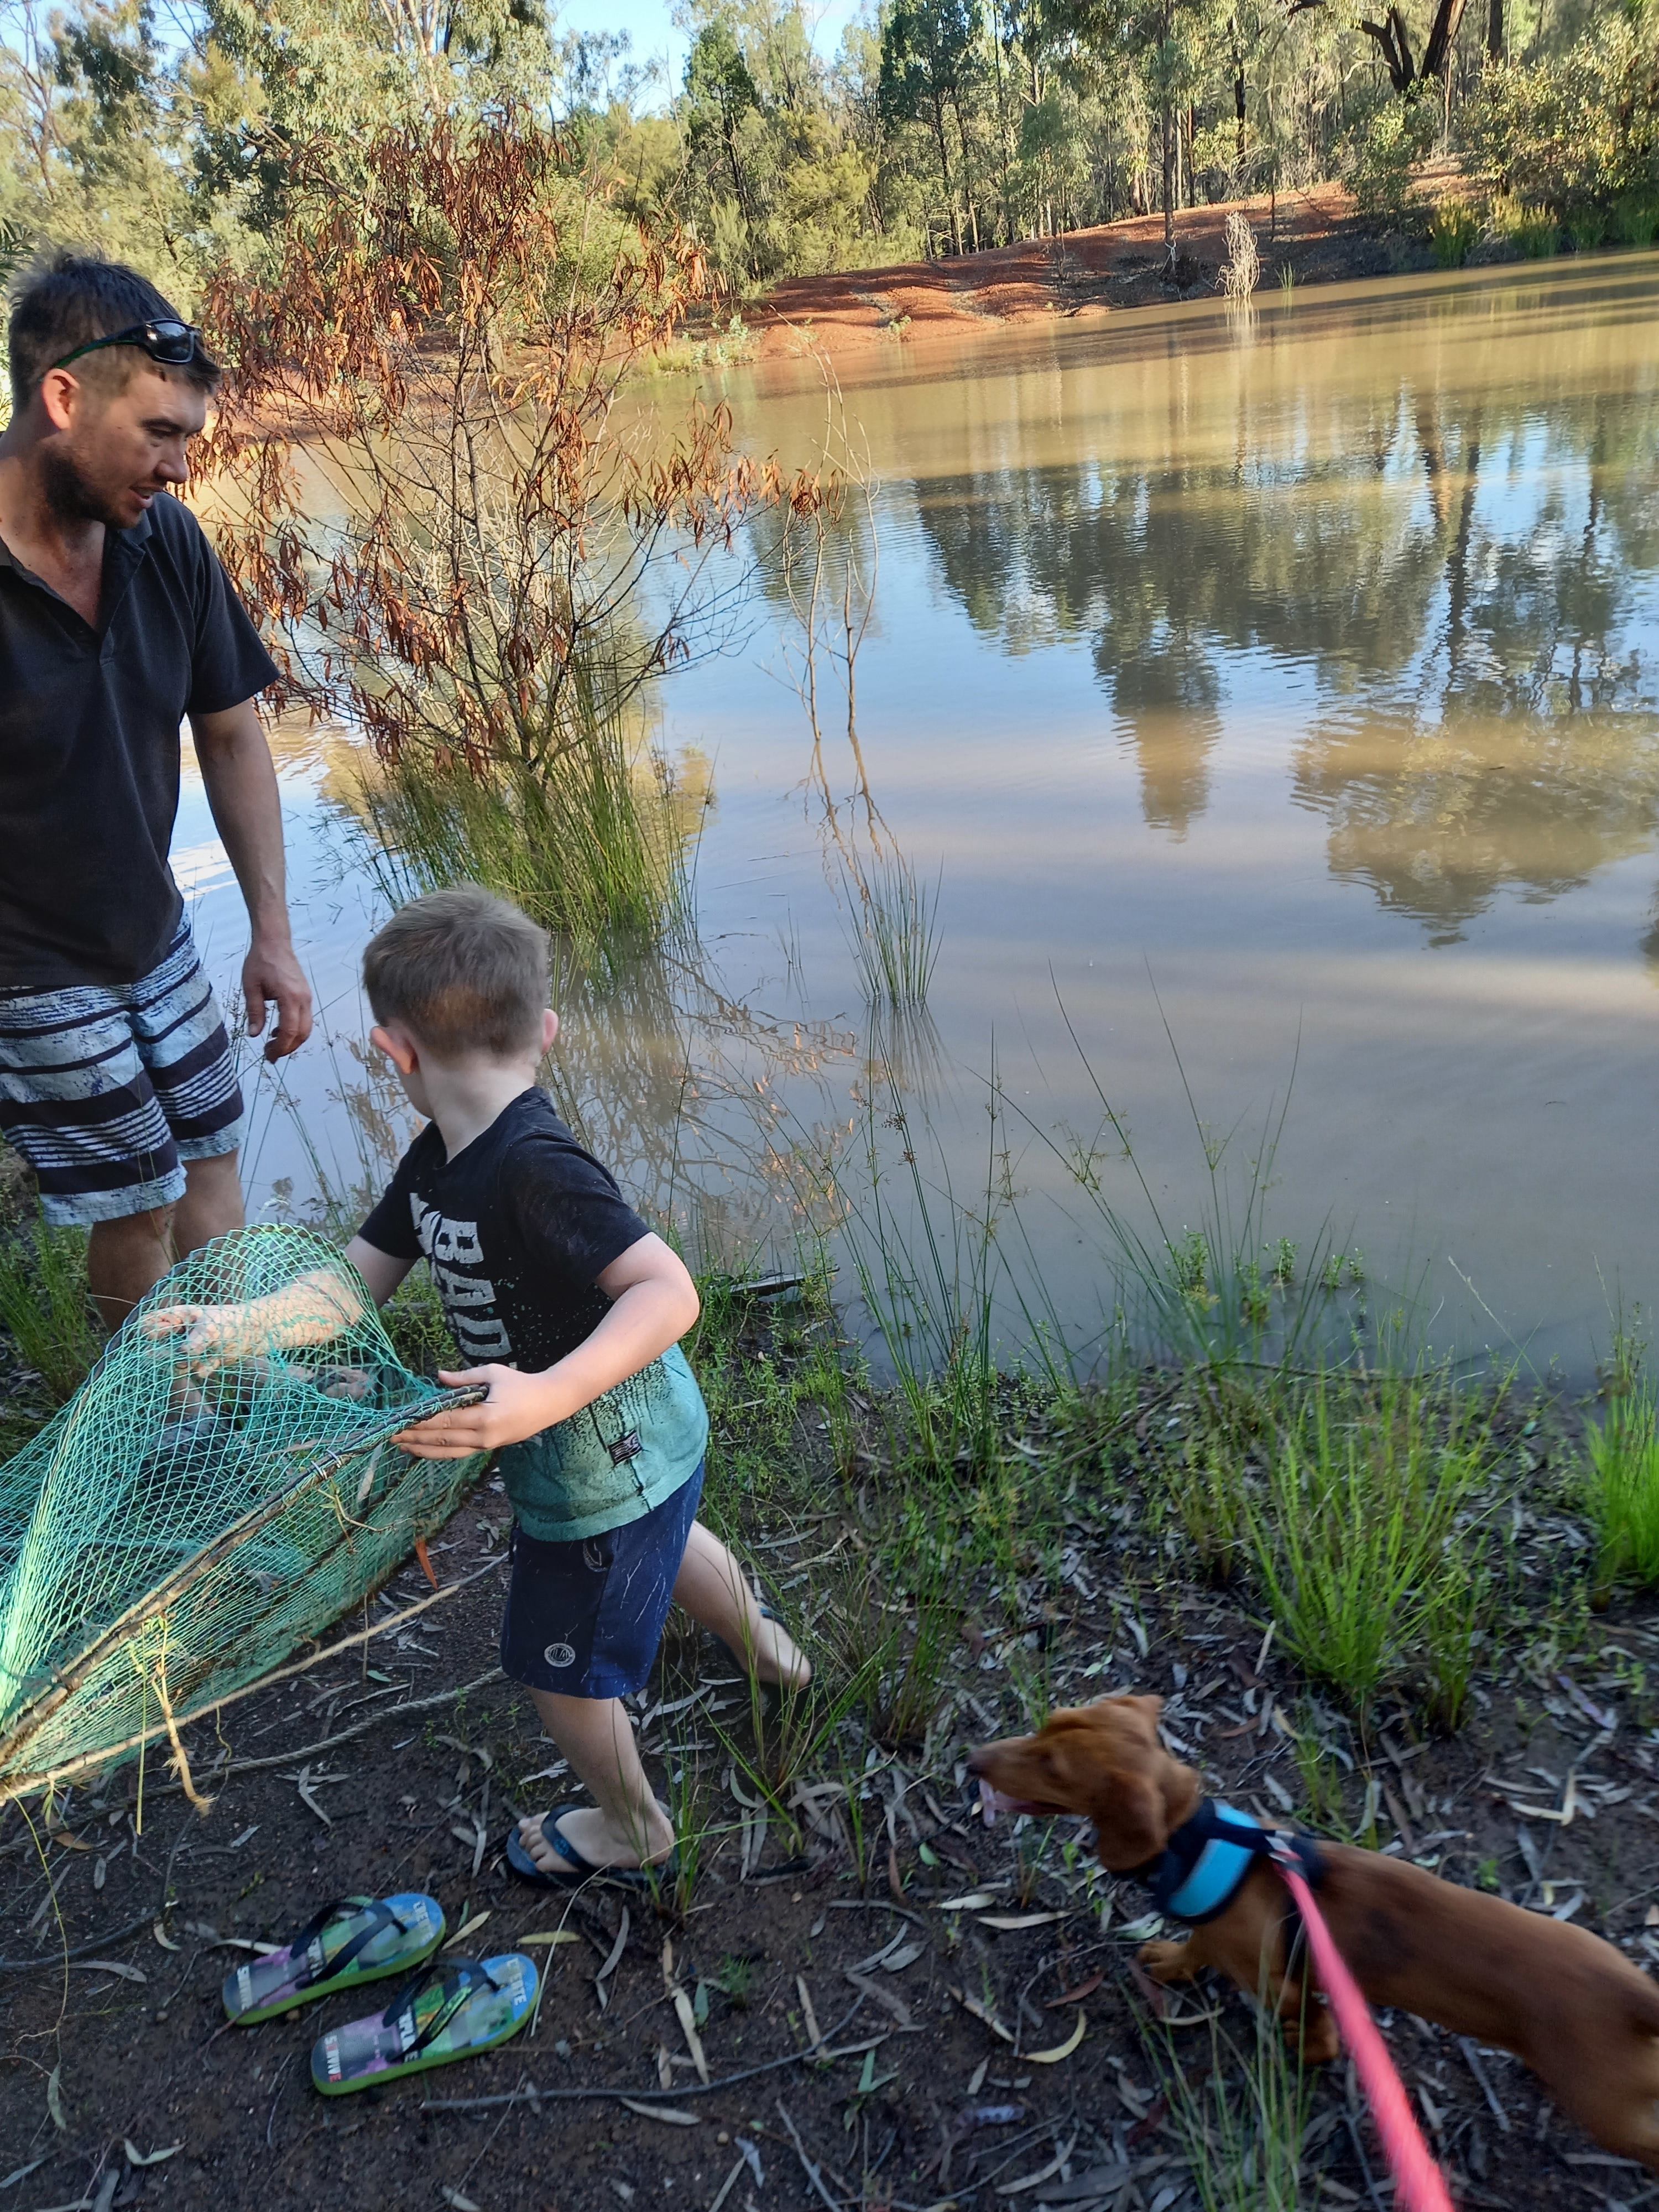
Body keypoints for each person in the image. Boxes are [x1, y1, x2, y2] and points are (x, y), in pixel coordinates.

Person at [148, 885, 808, 1881]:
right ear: (544, 1029)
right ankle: (768, 1656)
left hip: (594, 1463)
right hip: (648, 1443)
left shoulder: (535, 1164)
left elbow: (668, 1292)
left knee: (558, 1671)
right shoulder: (437, 1162)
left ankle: (634, 1827)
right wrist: (243, 1326)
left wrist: (546, 1396)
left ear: (394, 1051)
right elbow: (350, 1286)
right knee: (673, 1536)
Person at [0, 251, 312, 1331]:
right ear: (63, 399)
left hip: (152, 925)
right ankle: (158, 1411)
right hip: (27, 963)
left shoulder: (163, 541)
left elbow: (230, 736)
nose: (180, 467)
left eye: (188, 436)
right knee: (138, 1194)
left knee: (212, 1147)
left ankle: (234, 1375)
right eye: (159, 434)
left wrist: (273, 933)